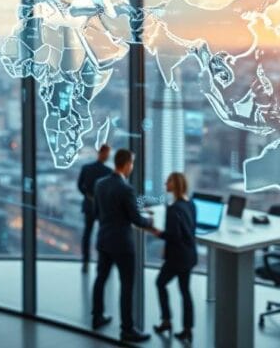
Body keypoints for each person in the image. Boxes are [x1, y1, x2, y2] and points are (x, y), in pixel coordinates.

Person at [90, 148, 160, 343]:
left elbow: (96, 212)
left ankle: (97, 317)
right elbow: (137, 220)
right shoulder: (126, 189)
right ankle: (127, 330)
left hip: (104, 239)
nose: (132, 167)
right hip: (122, 244)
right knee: (127, 286)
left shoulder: (100, 184)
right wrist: (150, 221)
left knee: (101, 278)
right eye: (132, 164)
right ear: (127, 164)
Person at [153, 172, 197, 343]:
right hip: (189, 255)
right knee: (185, 291)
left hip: (177, 257)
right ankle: (187, 329)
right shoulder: (190, 204)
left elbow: (173, 236)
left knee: (160, 283)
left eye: (169, 181)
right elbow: (190, 229)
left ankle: (166, 321)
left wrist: (158, 233)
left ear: (176, 185)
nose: (166, 183)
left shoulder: (173, 209)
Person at [77, 144, 113, 272]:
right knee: (103, 234)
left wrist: (88, 195)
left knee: (87, 234)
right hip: (103, 207)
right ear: (104, 154)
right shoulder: (108, 172)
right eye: (108, 154)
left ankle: (85, 261)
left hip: (89, 205)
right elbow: (110, 191)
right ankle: (102, 262)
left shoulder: (86, 168)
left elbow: (80, 186)